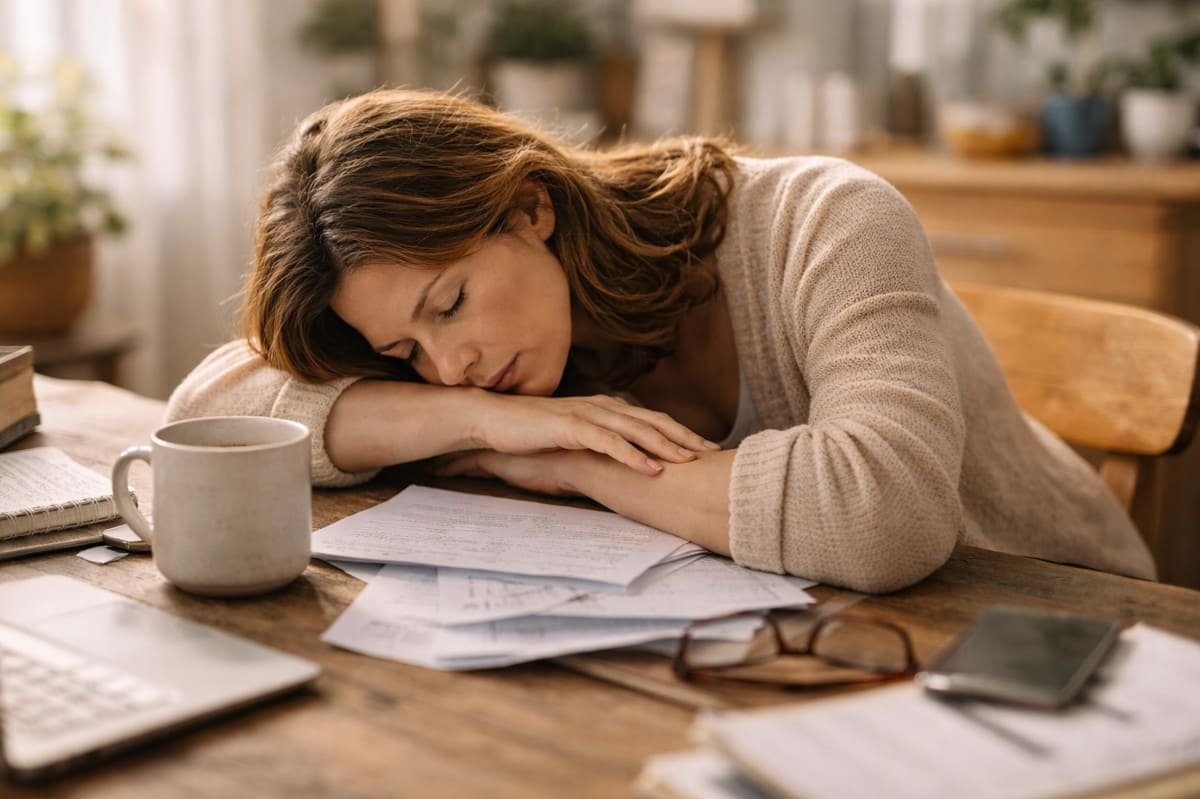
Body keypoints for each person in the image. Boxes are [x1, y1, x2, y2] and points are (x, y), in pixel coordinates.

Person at [167, 88, 1155, 593]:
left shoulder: (824, 217)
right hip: (822, 654)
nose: (451, 359)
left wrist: (574, 459)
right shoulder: (499, 374)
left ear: (529, 206)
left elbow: (883, 517)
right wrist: (473, 418)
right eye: (406, 354)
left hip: (1062, 629)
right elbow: (207, 409)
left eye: (451, 301)